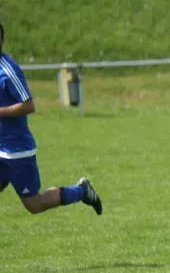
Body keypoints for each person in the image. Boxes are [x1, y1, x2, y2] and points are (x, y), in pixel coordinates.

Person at [0, 22, 102, 215]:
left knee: (34, 205)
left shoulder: (9, 71)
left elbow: (29, 105)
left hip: (17, 151)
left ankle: (81, 191)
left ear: (2, 40)